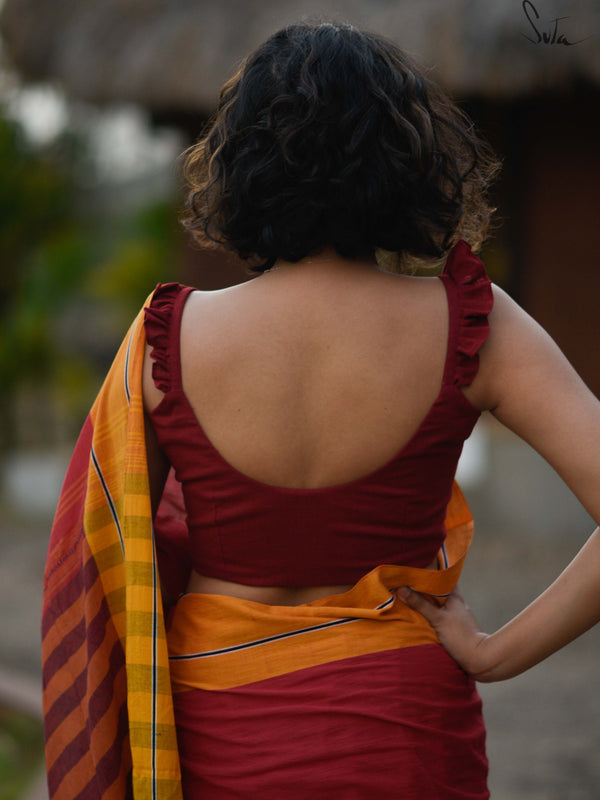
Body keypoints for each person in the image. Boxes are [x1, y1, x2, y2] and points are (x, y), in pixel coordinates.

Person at [41, 20, 600, 800]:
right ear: (410, 165)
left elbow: (98, 561)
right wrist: (496, 652)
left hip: (217, 726)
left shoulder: (165, 340)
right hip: (403, 728)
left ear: (241, 167)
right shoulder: (479, 325)